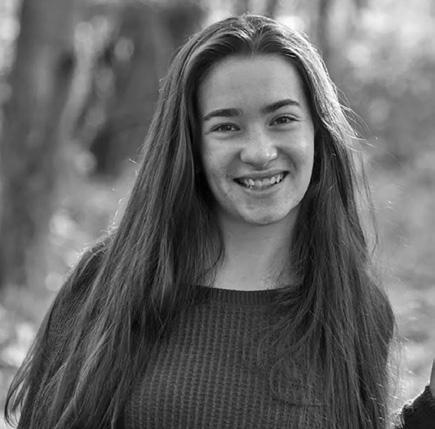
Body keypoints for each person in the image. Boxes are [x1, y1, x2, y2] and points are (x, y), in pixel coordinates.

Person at [4, 14, 435, 429]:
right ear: (190, 145)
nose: (260, 152)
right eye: (227, 127)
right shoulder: (106, 281)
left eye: (282, 119)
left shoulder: (354, 306)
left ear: (318, 133)